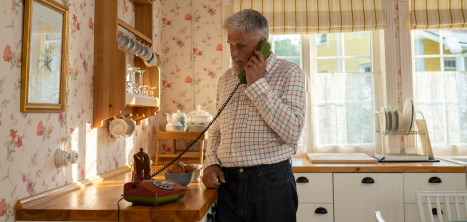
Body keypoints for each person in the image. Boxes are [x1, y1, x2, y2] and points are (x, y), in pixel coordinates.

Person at [202, 9, 306, 222]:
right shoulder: (226, 80)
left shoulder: (290, 73)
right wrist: (211, 161)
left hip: (270, 184)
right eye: (231, 45)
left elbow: (293, 131)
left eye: (240, 46)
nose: (233, 53)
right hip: (228, 185)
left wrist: (258, 84)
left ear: (262, 44)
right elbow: (216, 128)